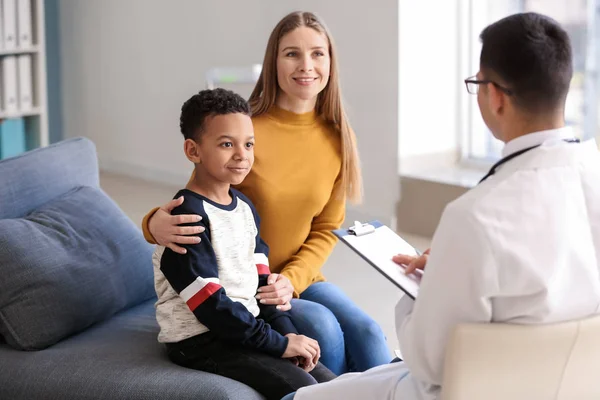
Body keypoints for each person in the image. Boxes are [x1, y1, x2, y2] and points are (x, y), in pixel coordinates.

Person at [282, 12, 600, 400]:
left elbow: (428, 362)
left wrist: (428, 287)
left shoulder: (476, 215)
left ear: (495, 96)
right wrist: (457, 266)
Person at [142, 11, 391, 374]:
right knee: (325, 332)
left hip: (296, 279)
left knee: (369, 333)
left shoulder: (339, 136)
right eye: (292, 53)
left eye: (318, 53)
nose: (306, 65)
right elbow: (201, 192)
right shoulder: (246, 130)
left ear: (331, 61)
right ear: (273, 61)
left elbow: (327, 227)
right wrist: (152, 222)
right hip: (247, 285)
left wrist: (292, 279)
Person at [154, 88, 335, 400]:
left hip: (244, 328)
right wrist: (277, 344)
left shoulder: (244, 207)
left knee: (333, 385)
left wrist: (288, 332)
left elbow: (262, 285)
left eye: (248, 144)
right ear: (193, 150)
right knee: (305, 391)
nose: (242, 154)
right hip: (200, 339)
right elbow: (211, 308)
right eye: (227, 144)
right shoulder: (186, 217)